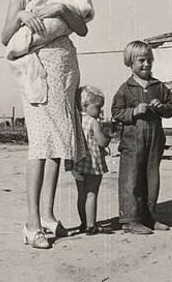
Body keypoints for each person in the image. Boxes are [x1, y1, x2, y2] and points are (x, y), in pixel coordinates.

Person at [1, 0, 91, 249]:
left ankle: (50, 217)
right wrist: (22, 16)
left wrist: (61, 8)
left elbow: (82, 29)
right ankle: (31, 223)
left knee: (57, 142)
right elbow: (4, 36)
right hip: (35, 71)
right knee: (39, 143)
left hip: (65, 68)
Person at [111, 40, 172, 235]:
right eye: (141, 60)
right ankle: (130, 220)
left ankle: (148, 217)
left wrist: (161, 107)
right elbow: (116, 111)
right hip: (132, 141)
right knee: (131, 179)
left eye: (149, 60)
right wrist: (133, 112)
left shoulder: (159, 87)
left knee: (151, 178)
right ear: (130, 63)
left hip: (154, 139)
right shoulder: (125, 88)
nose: (146, 64)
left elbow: (171, 108)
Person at [73, 86, 112, 235]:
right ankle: (91, 225)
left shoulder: (76, 121)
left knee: (81, 194)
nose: (100, 111)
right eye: (98, 107)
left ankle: (83, 223)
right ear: (85, 105)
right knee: (92, 193)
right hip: (93, 164)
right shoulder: (93, 122)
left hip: (78, 162)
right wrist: (107, 137)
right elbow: (101, 142)